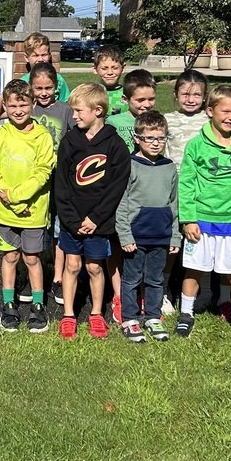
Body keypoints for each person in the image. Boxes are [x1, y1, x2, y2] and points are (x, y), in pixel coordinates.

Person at [177, 85, 231, 349]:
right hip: (201, 221)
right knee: (194, 270)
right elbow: (187, 183)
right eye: (225, 111)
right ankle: (186, 314)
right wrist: (188, 218)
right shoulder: (196, 146)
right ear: (210, 111)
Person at [54, 83, 130, 339]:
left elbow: (116, 186)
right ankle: (68, 315)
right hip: (72, 220)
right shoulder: (70, 141)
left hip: (99, 221)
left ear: (98, 110)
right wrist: (72, 219)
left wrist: (95, 219)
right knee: (72, 265)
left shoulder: (115, 144)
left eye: (78, 111)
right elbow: (61, 184)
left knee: (95, 267)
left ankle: (97, 313)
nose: (74, 116)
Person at [0, 79, 55, 333]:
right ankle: (8, 303)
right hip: (4, 210)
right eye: (12, 105)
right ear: (5, 106)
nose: (17, 110)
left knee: (32, 257)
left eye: (23, 104)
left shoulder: (42, 136)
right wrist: (7, 193)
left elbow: (43, 171)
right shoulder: (0, 134)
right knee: (10, 256)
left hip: (32, 210)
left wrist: (17, 196)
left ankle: (37, 305)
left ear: (33, 104)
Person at [116, 111, 181, 342]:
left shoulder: (169, 167)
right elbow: (121, 203)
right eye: (149, 138)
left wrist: (175, 236)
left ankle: (153, 317)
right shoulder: (130, 165)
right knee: (132, 279)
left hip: (161, 236)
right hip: (135, 235)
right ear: (136, 138)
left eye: (161, 138)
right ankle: (130, 319)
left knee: (155, 279)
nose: (155, 143)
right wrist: (125, 235)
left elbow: (174, 204)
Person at [105, 68, 157, 322]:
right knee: (117, 245)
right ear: (126, 100)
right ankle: (118, 295)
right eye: (140, 100)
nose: (146, 105)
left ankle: (143, 293)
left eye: (151, 99)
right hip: (119, 194)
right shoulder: (115, 124)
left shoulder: (157, 123)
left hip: (146, 195)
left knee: (143, 246)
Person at [23, 62, 73, 304]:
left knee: (58, 228)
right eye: (38, 87)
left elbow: (75, 141)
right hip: (33, 181)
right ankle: (37, 276)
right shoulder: (27, 110)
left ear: (56, 86)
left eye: (48, 87)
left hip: (60, 180)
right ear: (31, 87)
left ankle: (59, 278)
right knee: (36, 229)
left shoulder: (65, 111)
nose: (43, 92)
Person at [162, 69, 209, 315]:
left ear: (205, 97)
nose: (190, 99)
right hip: (174, 189)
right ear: (175, 94)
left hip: (203, 191)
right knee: (172, 241)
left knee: (200, 239)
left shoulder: (209, 122)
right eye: (185, 94)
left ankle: (202, 287)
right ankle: (162, 288)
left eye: (196, 95)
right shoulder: (167, 120)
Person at [93, 45, 126, 116]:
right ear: (95, 69)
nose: (110, 72)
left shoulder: (129, 94)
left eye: (115, 68)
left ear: (123, 68)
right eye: (104, 68)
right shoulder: (90, 94)